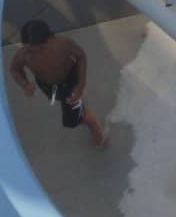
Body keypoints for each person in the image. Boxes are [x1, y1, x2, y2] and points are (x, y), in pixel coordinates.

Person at [9, 20, 107, 148]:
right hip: (48, 86)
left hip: (69, 81)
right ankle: (80, 108)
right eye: (27, 49)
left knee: (71, 121)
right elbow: (14, 69)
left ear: (49, 40)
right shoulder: (24, 55)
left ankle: (92, 122)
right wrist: (25, 84)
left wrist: (81, 85)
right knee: (63, 101)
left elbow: (81, 56)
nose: (31, 54)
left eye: (39, 49)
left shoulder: (62, 45)